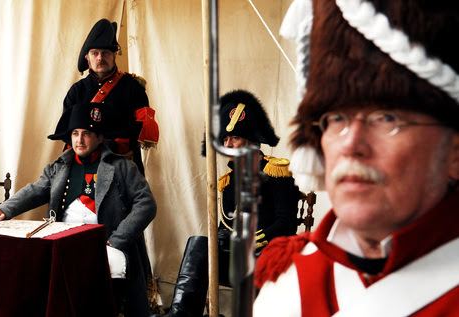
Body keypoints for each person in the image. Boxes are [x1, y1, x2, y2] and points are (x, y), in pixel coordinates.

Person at [254, 0, 459, 315]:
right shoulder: (285, 286)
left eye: (387, 117)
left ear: (454, 152)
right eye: (336, 117)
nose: (351, 143)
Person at [0, 103, 157, 317]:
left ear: (99, 138)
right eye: (75, 133)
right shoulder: (59, 167)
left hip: (106, 244)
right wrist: (4, 209)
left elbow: (146, 204)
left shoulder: (123, 167)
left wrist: (117, 239)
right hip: (65, 243)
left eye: (87, 134)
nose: (79, 140)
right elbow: (35, 191)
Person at [155, 90, 300, 316]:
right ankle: (181, 312)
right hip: (236, 257)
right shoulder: (229, 181)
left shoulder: (276, 172)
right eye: (224, 139)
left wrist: (254, 240)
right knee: (200, 244)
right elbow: (227, 222)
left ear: (252, 140)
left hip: (266, 255)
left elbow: (287, 223)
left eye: (234, 138)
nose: (228, 145)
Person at [50, 19, 159, 175]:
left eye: (106, 53)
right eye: (95, 53)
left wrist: (111, 145)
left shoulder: (133, 87)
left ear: (114, 55)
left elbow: (143, 129)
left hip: (123, 166)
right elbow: (67, 131)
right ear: (87, 57)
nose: (100, 57)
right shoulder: (76, 91)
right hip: (84, 168)